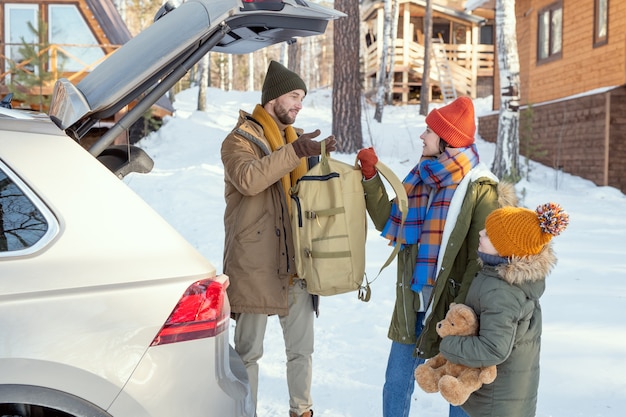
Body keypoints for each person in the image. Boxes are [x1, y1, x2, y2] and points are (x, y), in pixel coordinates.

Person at [356, 96, 516, 417]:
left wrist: (463, 312)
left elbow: (480, 258)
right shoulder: (422, 177)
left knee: (457, 392)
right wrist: (371, 178)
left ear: (447, 141)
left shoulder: (480, 188)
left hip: (453, 309)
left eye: (429, 131)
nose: (422, 137)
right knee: (397, 382)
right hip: (414, 300)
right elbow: (391, 219)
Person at [221, 60, 336, 417]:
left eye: (303, 97)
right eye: (294, 95)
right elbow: (250, 179)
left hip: (295, 264)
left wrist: (322, 165)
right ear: (273, 98)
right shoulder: (238, 140)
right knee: (248, 355)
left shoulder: (294, 141)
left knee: (302, 351)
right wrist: (296, 152)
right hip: (254, 266)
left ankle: (302, 411)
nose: (300, 104)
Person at [439, 202, 569, 417]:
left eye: (489, 235)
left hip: (496, 402)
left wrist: (449, 343)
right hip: (506, 396)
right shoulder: (499, 277)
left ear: (508, 248)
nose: (481, 233)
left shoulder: (502, 291)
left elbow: (493, 349)